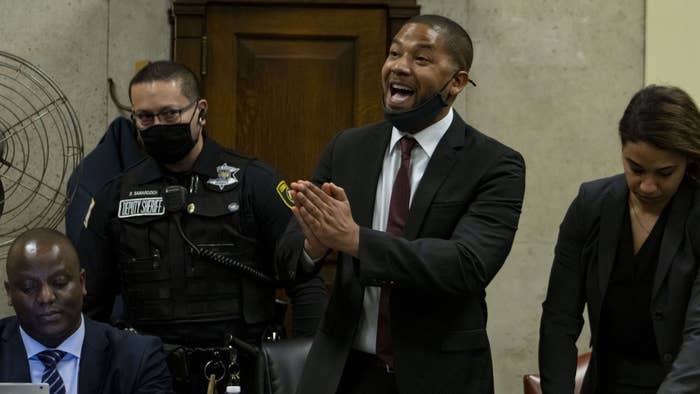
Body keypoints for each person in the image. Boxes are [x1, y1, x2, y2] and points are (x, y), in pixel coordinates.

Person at [276, 15, 526, 394]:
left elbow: (467, 265)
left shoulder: (494, 163)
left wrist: (356, 239)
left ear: (456, 82)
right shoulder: (347, 147)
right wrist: (314, 244)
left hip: (440, 376)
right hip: (345, 374)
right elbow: (289, 260)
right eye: (394, 53)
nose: (399, 66)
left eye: (421, 59)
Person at [77, 61, 327, 393]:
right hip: (148, 374)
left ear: (200, 111)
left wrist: (306, 367)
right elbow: (90, 300)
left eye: (170, 114)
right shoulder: (115, 195)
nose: (158, 126)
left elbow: (305, 281)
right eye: (145, 117)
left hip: (241, 371)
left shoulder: (254, 182)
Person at [539, 85, 700, 393]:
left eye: (665, 173)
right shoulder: (591, 205)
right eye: (635, 169)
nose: (648, 186)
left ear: (687, 161)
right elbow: (560, 318)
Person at [0, 228, 171, 394]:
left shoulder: (137, 358)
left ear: (82, 283)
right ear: (9, 293)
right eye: (29, 287)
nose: (46, 297)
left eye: (59, 283)